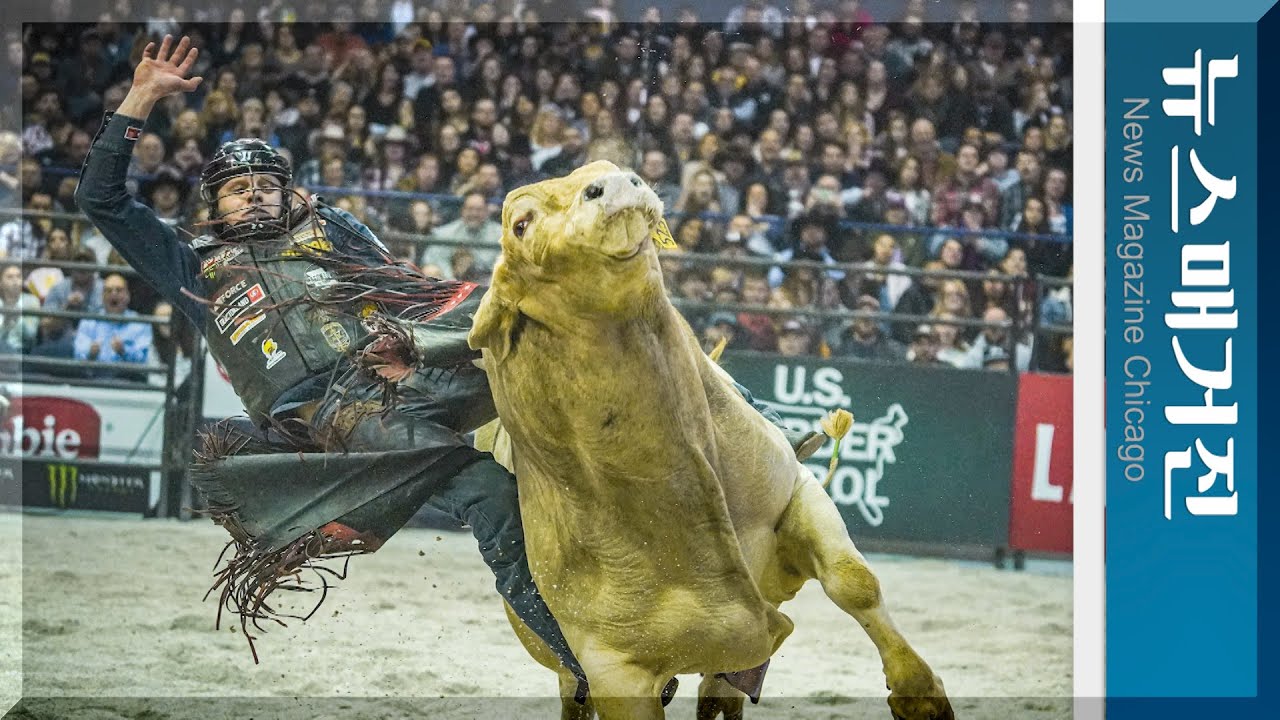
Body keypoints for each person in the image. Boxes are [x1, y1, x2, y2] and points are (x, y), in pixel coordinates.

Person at [75, 36, 816, 700]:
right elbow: (99, 198)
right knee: (491, 497)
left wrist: (435, 335)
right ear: (214, 204)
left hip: (405, 365)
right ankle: (587, 668)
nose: (256, 195)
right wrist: (140, 98)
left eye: (267, 184)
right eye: (240, 189)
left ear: (288, 190)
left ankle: (758, 427)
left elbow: (413, 290)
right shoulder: (192, 265)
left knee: (549, 316)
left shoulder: (330, 231)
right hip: (338, 419)